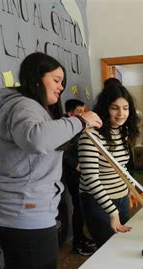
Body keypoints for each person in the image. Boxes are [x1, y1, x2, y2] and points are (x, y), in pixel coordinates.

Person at [0, 52, 102, 269]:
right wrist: (81, 120)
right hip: (24, 217)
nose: (60, 87)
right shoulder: (25, 106)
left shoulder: (19, 107)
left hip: (7, 212)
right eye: (56, 80)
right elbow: (37, 139)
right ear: (38, 77)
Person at [78, 84, 138, 248]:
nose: (121, 114)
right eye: (115, 108)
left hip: (122, 197)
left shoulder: (123, 132)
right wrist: (112, 212)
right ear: (105, 108)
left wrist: (133, 188)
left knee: (123, 246)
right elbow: (91, 179)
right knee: (107, 249)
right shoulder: (90, 135)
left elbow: (121, 167)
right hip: (98, 202)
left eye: (125, 108)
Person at [62, 99, 97, 256]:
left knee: (82, 208)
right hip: (74, 176)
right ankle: (77, 244)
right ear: (70, 113)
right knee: (79, 209)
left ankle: (82, 237)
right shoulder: (65, 128)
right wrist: (76, 164)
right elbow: (64, 152)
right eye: (79, 112)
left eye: (84, 111)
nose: (84, 115)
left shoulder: (81, 127)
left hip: (83, 176)